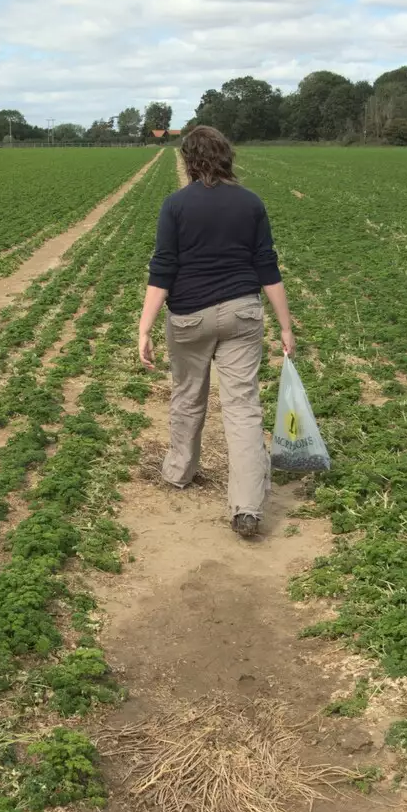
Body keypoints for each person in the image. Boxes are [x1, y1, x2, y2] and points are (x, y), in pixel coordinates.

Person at [138, 125, 294, 538]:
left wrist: (145, 327)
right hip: (243, 313)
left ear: (188, 160)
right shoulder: (251, 203)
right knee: (242, 405)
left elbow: (163, 268)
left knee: (188, 396)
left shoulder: (175, 205)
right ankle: (247, 507)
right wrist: (285, 326)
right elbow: (267, 266)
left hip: (189, 317)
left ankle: (178, 473)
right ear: (227, 156)